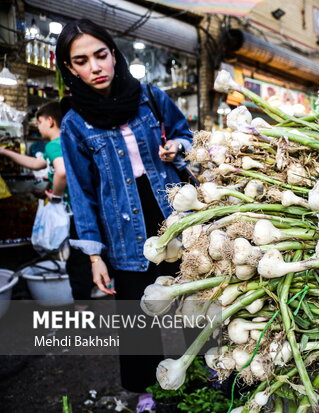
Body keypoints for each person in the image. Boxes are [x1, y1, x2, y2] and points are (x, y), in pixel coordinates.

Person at [56, 19, 192, 410]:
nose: (95, 67)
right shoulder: (73, 123)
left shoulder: (150, 97)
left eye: (101, 55)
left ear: (114, 55)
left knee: (188, 302)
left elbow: (184, 132)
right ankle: (145, 392)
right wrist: (94, 256)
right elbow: (81, 193)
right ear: (70, 69)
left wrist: (178, 146)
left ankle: (195, 373)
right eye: (81, 60)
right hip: (123, 230)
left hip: (173, 215)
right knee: (138, 318)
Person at [0, 102, 92, 304]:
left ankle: (82, 310)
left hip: (72, 211)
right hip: (82, 210)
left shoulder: (53, 145)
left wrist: (56, 196)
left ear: (50, 121)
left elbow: (62, 172)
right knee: (82, 258)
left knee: (77, 262)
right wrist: (5, 152)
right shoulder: (67, 143)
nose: (38, 127)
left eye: (39, 122)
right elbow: (36, 164)